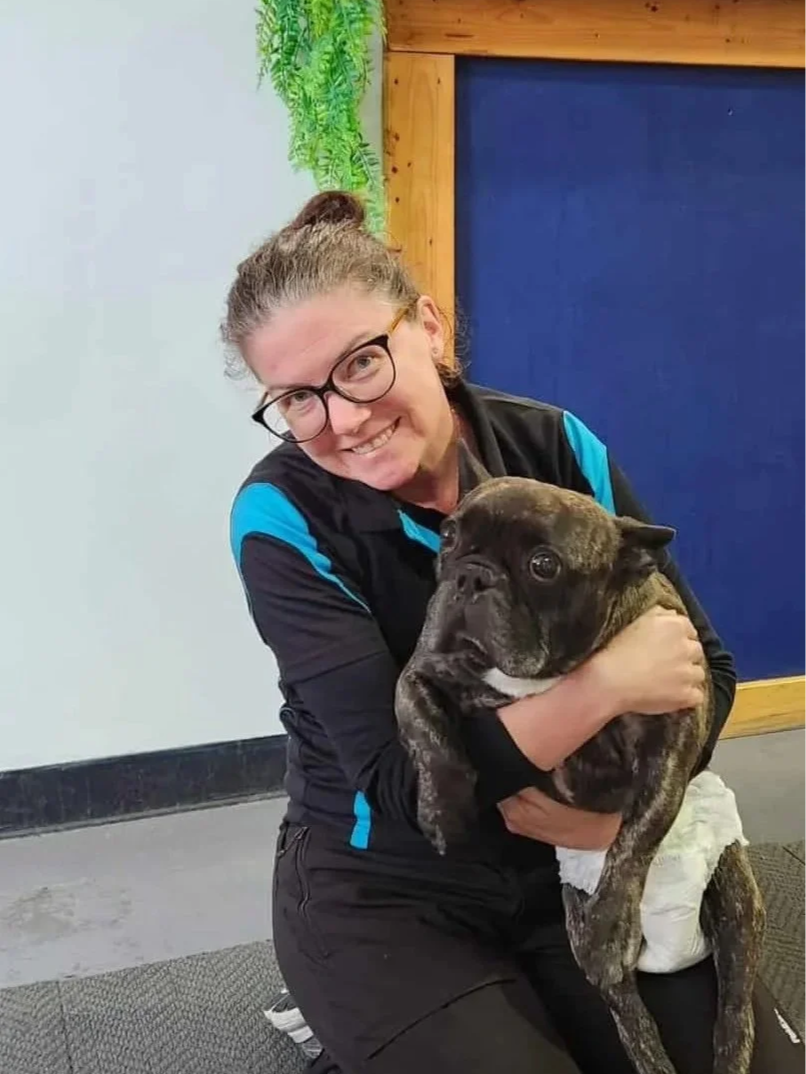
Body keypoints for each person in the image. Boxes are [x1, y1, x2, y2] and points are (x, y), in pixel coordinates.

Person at [223, 191, 804, 1074]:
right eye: (297, 399)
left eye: (362, 364)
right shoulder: (282, 515)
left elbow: (706, 677)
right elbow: (400, 783)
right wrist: (603, 690)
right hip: (391, 883)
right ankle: (358, 1014)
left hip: (578, 850)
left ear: (427, 327)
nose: (342, 419)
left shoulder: (556, 448)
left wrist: (616, 832)